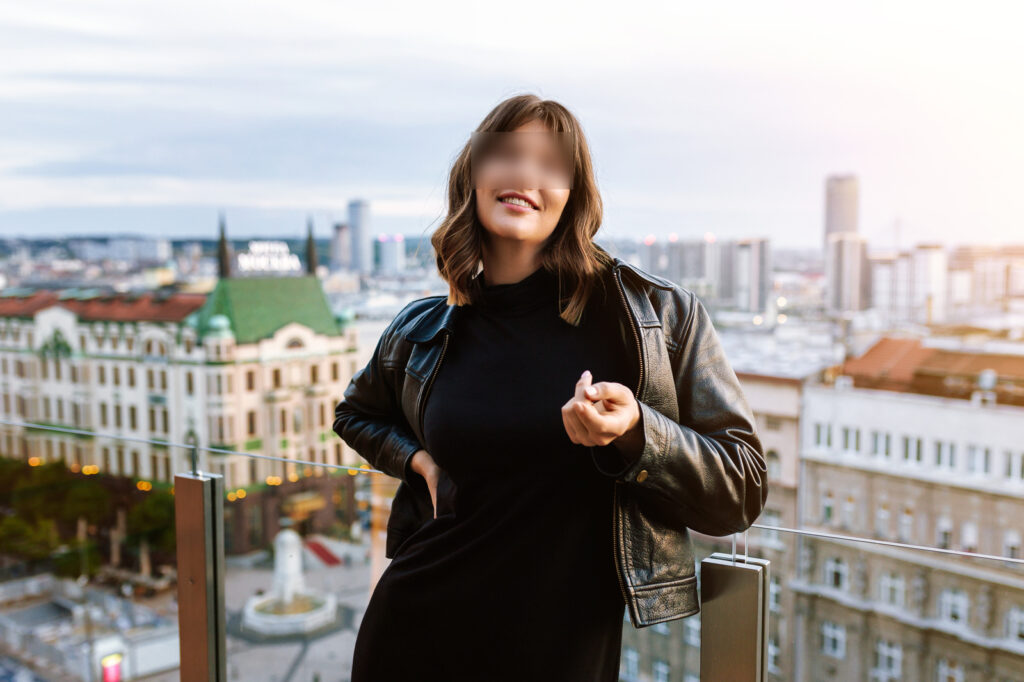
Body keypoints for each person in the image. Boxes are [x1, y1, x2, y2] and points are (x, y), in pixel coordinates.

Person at [336, 93, 766, 681]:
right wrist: (420, 463)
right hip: (415, 634)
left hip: (560, 653)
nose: (525, 174)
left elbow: (742, 488)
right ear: (473, 175)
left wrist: (638, 431)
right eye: (507, 153)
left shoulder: (651, 317)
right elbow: (354, 415)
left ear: (574, 195)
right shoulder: (424, 327)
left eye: (552, 163)